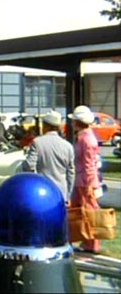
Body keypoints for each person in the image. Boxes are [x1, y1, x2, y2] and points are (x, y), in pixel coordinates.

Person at [68, 105, 101, 254]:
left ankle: (92, 243)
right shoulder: (85, 137)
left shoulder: (85, 139)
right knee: (79, 210)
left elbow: (88, 164)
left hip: (84, 181)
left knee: (88, 212)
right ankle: (81, 239)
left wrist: (88, 184)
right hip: (81, 180)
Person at [23, 111, 75, 202]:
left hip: (42, 190)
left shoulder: (37, 142)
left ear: (45, 126)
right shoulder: (68, 146)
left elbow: (29, 165)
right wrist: (68, 195)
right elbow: (71, 173)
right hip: (61, 192)